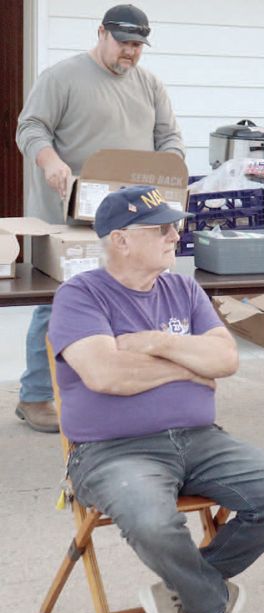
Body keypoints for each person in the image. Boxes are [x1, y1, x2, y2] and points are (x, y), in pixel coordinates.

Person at [48, 186, 264, 613]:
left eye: (175, 225)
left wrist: (149, 342)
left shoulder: (184, 289)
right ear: (121, 240)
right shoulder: (79, 295)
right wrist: (188, 367)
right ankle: (210, 604)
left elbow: (224, 358)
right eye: (162, 229)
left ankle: (182, 587)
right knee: (151, 519)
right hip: (112, 451)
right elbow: (107, 375)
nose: (175, 235)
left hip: (199, 440)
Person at [14, 3, 184, 433]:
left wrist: (170, 172)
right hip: (67, 216)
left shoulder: (149, 85)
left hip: (129, 219)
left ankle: (111, 386)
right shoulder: (62, 77)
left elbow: (170, 139)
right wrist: (50, 162)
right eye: (124, 43)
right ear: (101, 33)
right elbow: (30, 127)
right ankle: (35, 396)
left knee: (123, 302)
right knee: (57, 303)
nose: (130, 53)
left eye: (138, 46)